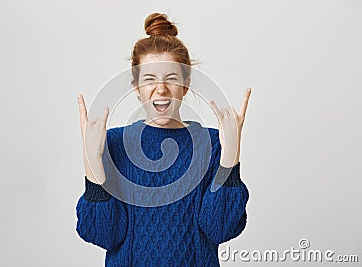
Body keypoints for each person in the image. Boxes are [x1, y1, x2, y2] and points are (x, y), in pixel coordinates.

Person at [76, 13, 252, 267]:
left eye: (171, 78)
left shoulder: (213, 143)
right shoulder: (112, 143)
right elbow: (103, 234)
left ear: (186, 84)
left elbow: (220, 229)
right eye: (149, 79)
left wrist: (230, 159)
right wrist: (92, 161)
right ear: (136, 87)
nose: (161, 89)